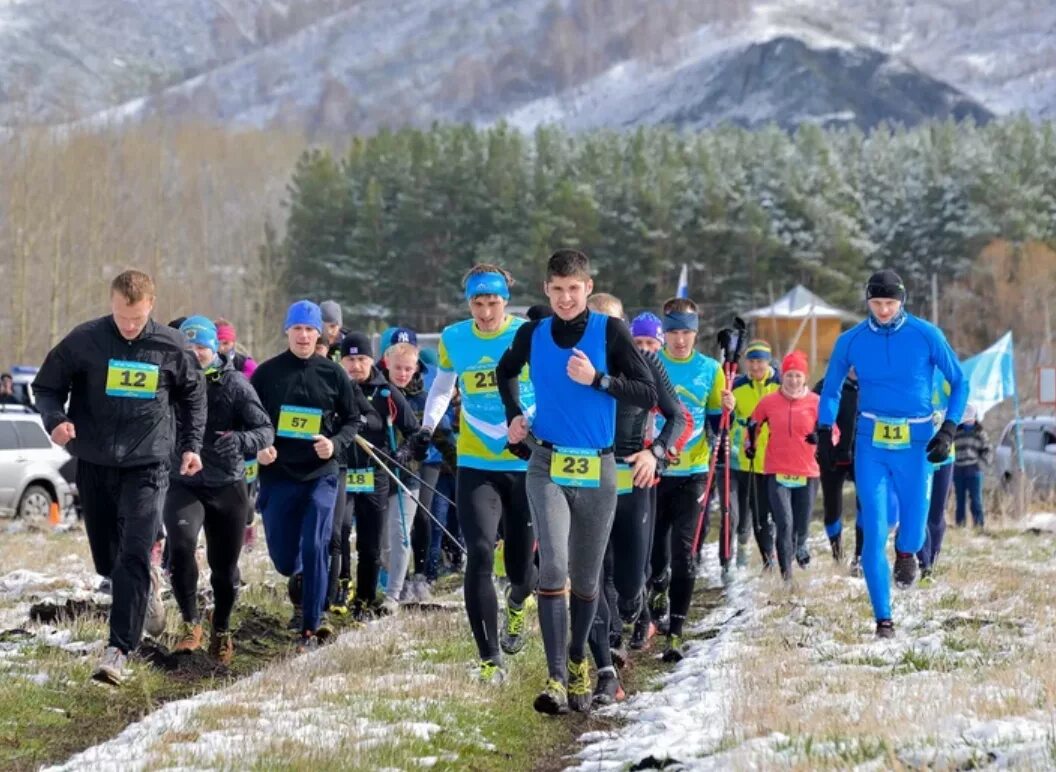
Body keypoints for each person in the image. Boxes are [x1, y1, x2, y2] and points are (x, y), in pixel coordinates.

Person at [497, 249, 656, 714]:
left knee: (587, 581)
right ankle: (555, 678)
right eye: (557, 289)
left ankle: (578, 659)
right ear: (546, 289)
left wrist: (599, 379)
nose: (566, 298)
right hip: (546, 463)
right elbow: (504, 373)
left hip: (598, 468)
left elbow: (646, 393)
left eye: (574, 289)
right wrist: (513, 418)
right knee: (552, 568)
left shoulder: (611, 331)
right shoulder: (533, 333)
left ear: (587, 288)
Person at [32, 269, 206, 685]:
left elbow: (193, 396)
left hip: (148, 465)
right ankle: (143, 581)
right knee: (108, 560)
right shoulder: (85, 340)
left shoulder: (171, 345)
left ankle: (118, 650)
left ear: (151, 308)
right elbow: (46, 387)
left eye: (136, 319)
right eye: (122, 317)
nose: (129, 327)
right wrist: (55, 420)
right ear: (111, 305)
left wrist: (191, 446)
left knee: (134, 549)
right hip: (94, 462)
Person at [817, 270, 966, 638]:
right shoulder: (851, 340)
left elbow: (959, 381)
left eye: (890, 303)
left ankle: (906, 553)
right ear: (867, 301)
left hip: (916, 442)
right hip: (871, 443)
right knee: (873, 529)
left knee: (915, 531)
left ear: (902, 302)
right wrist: (824, 428)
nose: (883, 310)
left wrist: (949, 428)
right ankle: (883, 619)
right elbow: (832, 388)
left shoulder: (926, 335)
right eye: (876, 303)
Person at [414, 263, 540, 684]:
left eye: (494, 302)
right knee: (481, 553)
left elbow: (546, 387)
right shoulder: (454, 337)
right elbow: (442, 386)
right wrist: (427, 427)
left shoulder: (526, 334)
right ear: (468, 302)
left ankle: (519, 603)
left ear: (506, 300)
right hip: (476, 461)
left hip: (522, 461)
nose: (486, 312)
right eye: (478, 303)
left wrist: (529, 423)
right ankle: (489, 659)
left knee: (522, 569)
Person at [585, 301, 687, 706]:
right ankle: (608, 650)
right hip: (588, 477)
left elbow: (677, 416)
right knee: (595, 571)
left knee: (629, 581)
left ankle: (634, 610)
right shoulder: (577, 362)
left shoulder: (644, 362)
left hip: (635, 477)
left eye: (609, 321)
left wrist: (656, 452)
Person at [250, 300, 361, 652]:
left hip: (321, 474)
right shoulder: (266, 374)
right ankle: (300, 575)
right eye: (297, 329)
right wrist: (260, 446)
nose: (303, 336)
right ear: (287, 331)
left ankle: (311, 627)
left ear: (320, 334)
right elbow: (249, 419)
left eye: (310, 330)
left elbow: (352, 420)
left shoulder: (333, 374)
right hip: (278, 474)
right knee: (285, 560)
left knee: (317, 544)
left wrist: (335, 444)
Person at [165, 317, 273, 664]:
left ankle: (222, 629)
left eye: (202, 348)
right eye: (189, 348)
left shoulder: (236, 384)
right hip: (184, 483)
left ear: (216, 349)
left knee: (223, 568)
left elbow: (265, 430)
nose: (196, 354)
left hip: (227, 484)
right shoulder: (169, 384)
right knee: (181, 548)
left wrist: (241, 441)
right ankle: (189, 623)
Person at [649, 296, 733, 663]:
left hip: (694, 471)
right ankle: (656, 587)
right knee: (655, 553)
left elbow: (716, 420)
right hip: (653, 470)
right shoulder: (651, 364)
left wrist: (726, 410)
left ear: (696, 333)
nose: (679, 339)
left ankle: (676, 633)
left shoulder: (710, 368)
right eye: (673, 332)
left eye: (686, 332)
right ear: (664, 333)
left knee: (684, 553)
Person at [334, 332, 418, 619]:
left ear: (372, 360)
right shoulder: (336, 387)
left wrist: (401, 456)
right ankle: (340, 586)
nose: (355, 365)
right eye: (350, 359)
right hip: (342, 470)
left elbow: (416, 433)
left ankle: (366, 598)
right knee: (339, 532)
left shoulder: (386, 392)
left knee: (370, 542)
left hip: (374, 474)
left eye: (361, 359)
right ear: (341, 360)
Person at [748, 351, 825, 581]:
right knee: (784, 523)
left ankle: (801, 543)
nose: (793, 380)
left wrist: (821, 437)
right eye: (789, 375)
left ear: (805, 377)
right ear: (782, 376)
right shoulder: (769, 402)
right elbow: (753, 424)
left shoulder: (816, 402)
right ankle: (787, 578)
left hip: (807, 471)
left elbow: (833, 432)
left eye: (798, 375)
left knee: (800, 524)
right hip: (777, 469)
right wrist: (749, 444)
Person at [378, 339, 424, 612]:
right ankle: (384, 582)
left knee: (400, 533)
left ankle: (393, 594)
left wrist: (407, 452)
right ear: (387, 365)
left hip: (407, 476)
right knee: (382, 539)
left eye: (408, 369)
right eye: (398, 368)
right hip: (378, 475)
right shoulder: (376, 392)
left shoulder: (421, 395)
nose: (403, 374)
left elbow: (424, 437)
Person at [730, 340, 781, 569]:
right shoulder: (738, 386)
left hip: (778, 460)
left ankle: (784, 555)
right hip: (748, 460)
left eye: (760, 361)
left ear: (768, 361)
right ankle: (767, 560)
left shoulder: (782, 383)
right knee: (758, 514)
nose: (755, 366)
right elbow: (729, 421)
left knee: (779, 513)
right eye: (751, 361)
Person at [813, 369, 865, 573]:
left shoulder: (873, 383)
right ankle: (837, 553)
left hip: (864, 455)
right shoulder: (827, 384)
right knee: (832, 506)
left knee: (865, 505)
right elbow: (810, 411)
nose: (854, 367)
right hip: (833, 454)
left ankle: (859, 557)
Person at [917, 373, 957, 582]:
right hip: (917, 456)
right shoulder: (911, 372)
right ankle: (924, 566)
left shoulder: (945, 377)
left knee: (937, 513)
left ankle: (932, 558)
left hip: (944, 455)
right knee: (919, 511)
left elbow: (963, 402)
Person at [952, 405, 992, 529]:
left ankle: (979, 525)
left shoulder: (979, 433)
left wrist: (981, 463)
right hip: (958, 469)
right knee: (960, 500)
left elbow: (988, 450)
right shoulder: (956, 432)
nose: (969, 420)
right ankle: (960, 525)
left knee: (976, 499)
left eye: (971, 417)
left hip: (974, 469)